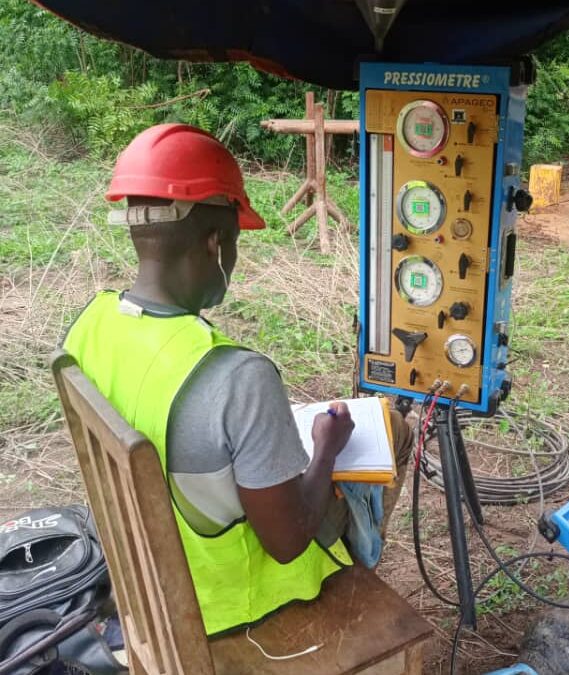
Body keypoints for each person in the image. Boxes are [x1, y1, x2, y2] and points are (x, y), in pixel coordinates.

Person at [62, 123, 412, 637]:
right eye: (235, 241)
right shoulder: (240, 377)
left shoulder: (89, 325)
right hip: (228, 607)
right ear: (215, 242)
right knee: (395, 432)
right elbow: (288, 540)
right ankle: (351, 600)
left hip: (143, 575)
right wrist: (325, 451)